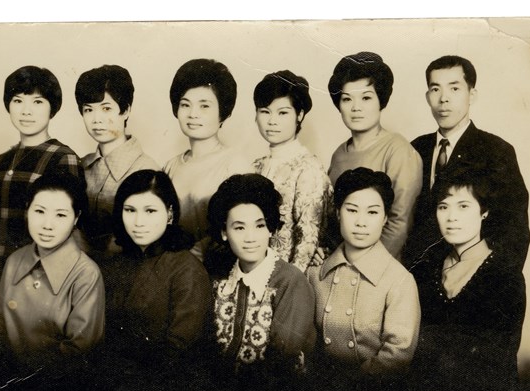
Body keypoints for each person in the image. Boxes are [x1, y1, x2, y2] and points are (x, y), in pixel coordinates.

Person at [0, 66, 85, 361]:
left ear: (52, 108)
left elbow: (66, 230)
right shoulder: (3, 160)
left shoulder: (63, 158)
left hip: (34, 277)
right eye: (18, 101)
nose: (26, 110)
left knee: (24, 356)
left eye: (37, 101)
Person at [410, 168, 526, 391]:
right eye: (443, 207)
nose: (451, 217)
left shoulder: (504, 274)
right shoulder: (425, 268)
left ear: (484, 211)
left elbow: (499, 357)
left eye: (463, 206)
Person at [307, 167, 420, 391]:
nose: (361, 222)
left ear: (385, 218)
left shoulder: (399, 280)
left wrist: (352, 387)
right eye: (352, 210)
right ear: (338, 213)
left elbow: (398, 353)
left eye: (372, 212)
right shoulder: (316, 273)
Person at [0, 172, 105, 391]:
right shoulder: (15, 260)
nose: (47, 225)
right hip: (5, 388)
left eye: (61, 215)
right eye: (39, 211)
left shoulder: (86, 274)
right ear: (27, 210)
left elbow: (79, 352)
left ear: (76, 218)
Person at [100, 170, 212, 391]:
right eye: (130, 210)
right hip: (112, 388)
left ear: (169, 214)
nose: (138, 222)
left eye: (150, 211)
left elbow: (179, 351)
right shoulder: (114, 264)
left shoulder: (187, 270)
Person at [405, 55, 530, 271]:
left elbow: (514, 232)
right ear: (427, 97)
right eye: (435, 89)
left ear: (471, 95)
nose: (443, 99)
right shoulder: (415, 148)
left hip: (472, 279)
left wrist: (486, 281)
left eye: (454, 89)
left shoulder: (496, 151)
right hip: (416, 277)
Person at [207, 173, 316, 391]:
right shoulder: (219, 278)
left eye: (260, 226)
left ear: (270, 229)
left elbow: (282, 361)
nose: (250, 238)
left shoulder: (290, 281)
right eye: (239, 227)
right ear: (224, 232)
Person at [327, 52, 422, 259]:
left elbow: (399, 223)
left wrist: (359, 265)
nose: (356, 108)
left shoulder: (398, 150)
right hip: (339, 262)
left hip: (380, 267)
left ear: (381, 100)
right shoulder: (338, 154)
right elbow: (333, 220)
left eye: (366, 98)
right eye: (347, 99)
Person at [164, 58, 251, 261]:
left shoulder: (235, 164)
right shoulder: (170, 166)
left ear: (223, 112)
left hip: (217, 268)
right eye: (185, 105)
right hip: (171, 266)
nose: (193, 114)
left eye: (204, 106)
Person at [252, 70, 332, 273]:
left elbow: (307, 244)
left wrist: (288, 286)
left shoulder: (308, 169)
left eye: (282, 113)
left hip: (287, 279)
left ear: (300, 115)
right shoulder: (255, 166)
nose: (272, 121)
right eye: (265, 111)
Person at [75, 64, 159, 254]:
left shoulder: (147, 170)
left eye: (106, 108)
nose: (96, 119)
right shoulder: (80, 165)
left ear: (126, 110)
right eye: (88, 110)